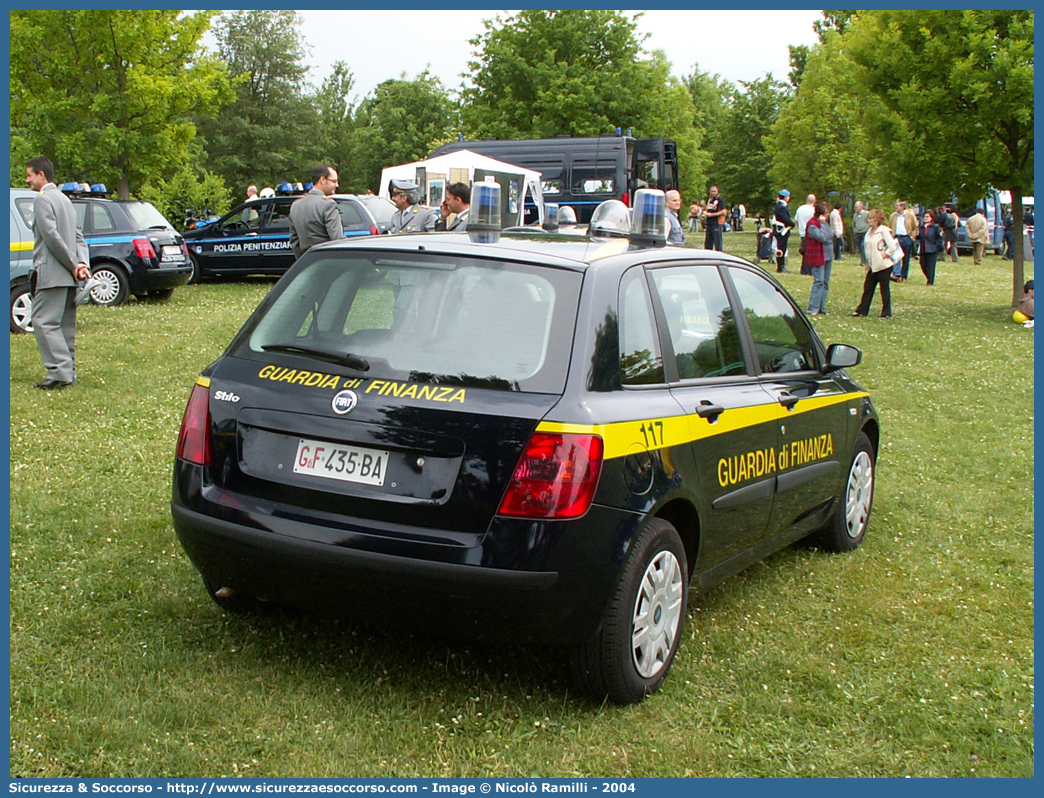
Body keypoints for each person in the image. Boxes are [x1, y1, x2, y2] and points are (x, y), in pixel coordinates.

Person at [25, 156, 91, 389]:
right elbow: (77, 236)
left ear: (41, 175)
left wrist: (74, 265)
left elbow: (51, 237)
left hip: (52, 272)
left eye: (30, 175)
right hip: (69, 275)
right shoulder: (64, 199)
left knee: (43, 322)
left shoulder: (43, 200)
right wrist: (82, 264)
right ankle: (68, 371)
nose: (28, 180)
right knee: (64, 326)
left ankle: (59, 373)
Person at [852, 208, 901, 319]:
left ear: (877, 220)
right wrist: (868, 264)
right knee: (868, 288)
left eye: (871, 218)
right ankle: (862, 310)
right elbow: (867, 248)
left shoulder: (883, 230)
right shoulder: (869, 232)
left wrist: (886, 254)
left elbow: (892, 246)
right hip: (873, 265)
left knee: (884, 289)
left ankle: (886, 312)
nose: (869, 220)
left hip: (883, 265)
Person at [288, 165, 344, 259]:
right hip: (328, 261)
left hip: (308, 263)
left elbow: (294, 242)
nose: (337, 185)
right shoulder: (328, 205)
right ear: (322, 180)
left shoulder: (296, 205)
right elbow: (338, 240)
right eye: (334, 181)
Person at [804, 201, 834, 316]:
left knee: (825, 282)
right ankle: (813, 308)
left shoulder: (824, 224)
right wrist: (822, 224)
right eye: (826, 213)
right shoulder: (812, 224)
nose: (827, 215)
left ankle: (821, 307)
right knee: (819, 281)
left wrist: (824, 225)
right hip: (817, 256)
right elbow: (822, 237)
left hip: (827, 255)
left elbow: (830, 234)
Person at [888, 200, 918, 282]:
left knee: (906, 258)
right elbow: (890, 226)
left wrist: (912, 237)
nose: (896, 207)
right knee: (896, 256)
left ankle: (904, 276)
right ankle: (896, 274)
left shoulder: (910, 216)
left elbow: (915, 227)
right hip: (896, 237)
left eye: (897, 206)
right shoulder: (893, 216)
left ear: (902, 207)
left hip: (906, 237)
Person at [918, 208, 944, 286]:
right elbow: (919, 237)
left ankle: (930, 281)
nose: (925, 218)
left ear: (931, 218)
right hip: (923, 248)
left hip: (932, 249)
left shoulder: (935, 227)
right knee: (923, 264)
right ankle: (928, 277)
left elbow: (939, 238)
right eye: (924, 217)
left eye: (927, 217)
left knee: (931, 265)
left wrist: (937, 246)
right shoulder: (922, 227)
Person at [794, 194, 816, 275]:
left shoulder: (800, 209)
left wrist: (800, 227)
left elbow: (796, 220)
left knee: (805, 251)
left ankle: (805, 269)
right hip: (811, 233)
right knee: (810, 252)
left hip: (802, 232)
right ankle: (808, 270)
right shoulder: (813, 210)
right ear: (814, 201)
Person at [772, 189, 794, 273]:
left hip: (782, 229)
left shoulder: (781, 205)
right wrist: (792, 224)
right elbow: (785, 218)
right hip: (781, 230)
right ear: (785, 197)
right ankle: (780, 266)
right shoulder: (781, 207)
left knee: (782, 248)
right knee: (781, 248)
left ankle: (781, 265)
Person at [703, 185, 726, 251]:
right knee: (708, 242)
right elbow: (706, 209)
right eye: (712, 191)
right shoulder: (709, 199)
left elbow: (724, 212)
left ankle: (719, 256)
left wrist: (712, 215)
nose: (713, 193)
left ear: (717, 191)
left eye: (714, 191)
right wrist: (705, 213)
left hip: (717, 223)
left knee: (717, 242)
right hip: (709, 223)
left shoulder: (719, 199)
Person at [853, 200, 870, 267]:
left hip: (865, 232)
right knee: (860, 247)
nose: (855, 208)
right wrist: (855, 230)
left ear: (861, 207)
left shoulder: (866, 214)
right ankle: (863, 259)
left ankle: (864, 261)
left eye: (857, 207)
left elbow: (869, 222)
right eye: (855, 207)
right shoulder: (855, 215)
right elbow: (854, 224)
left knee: (863, 245)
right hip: (858, 233)